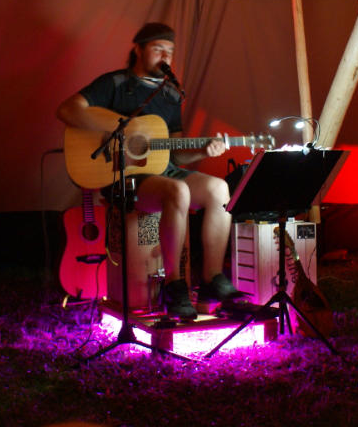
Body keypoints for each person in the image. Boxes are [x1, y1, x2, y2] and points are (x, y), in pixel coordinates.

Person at [56, 22, 248, 320]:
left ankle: (212, 279)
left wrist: (202, 150)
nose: (165, 57)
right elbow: (68, 110)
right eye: (158, 49)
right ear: (138, 49)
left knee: (219, 189)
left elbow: (176, 152)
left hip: (164, 172)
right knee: (178, 191)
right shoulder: (115, 84)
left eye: (170, 51)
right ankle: (176, 285)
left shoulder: (171, 95)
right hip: (123, 177)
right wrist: (123, 130)